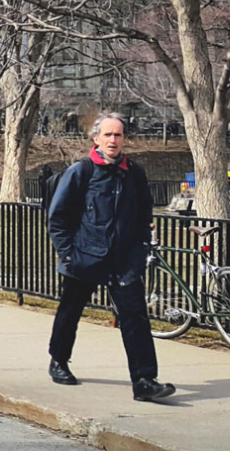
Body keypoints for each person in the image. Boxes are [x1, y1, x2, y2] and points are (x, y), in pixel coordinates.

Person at [46, 112, 174, 402]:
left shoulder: (134, 173)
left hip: (124, 260)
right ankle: (59, 360)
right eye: (107, 135)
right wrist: (67, 254)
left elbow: (144, 215)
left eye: (118, 135)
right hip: (85, 255)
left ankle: (144, 380)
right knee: (70, 311)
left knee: (136, 318)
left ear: (124, 139)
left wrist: (140, 249)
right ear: (96, 139)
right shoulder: (82, 171)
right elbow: (58, 217)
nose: (113, 140)